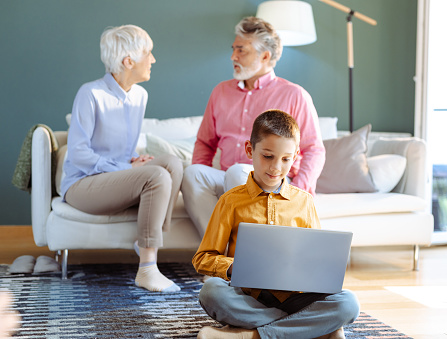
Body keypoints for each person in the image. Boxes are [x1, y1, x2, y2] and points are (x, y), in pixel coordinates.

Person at [192, 110, 359, 339]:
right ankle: (312, 330)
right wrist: (232, 267)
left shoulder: (304, 202)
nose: (276, 168)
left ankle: (249, 335)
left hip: (293, 297)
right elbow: (203, 258)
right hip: (248, 296)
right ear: (250, 150)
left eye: (285, 159)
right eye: (268, 156)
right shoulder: (230, 202)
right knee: (211, 292)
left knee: (348, 303)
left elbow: (317, 263)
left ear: (295, 156)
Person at [61, 25, 183, 293]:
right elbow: (79, 154)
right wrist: (126, 167)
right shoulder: (91, 94)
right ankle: (147, 270)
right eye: (148, 53)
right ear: (128, 61)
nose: (153, 60)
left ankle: (146, 242)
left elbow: (121, 150)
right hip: (83, 185)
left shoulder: (140, 96)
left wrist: (136, 159)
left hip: (114, 178)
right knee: (157, 175)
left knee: (172, 164)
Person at [182, 16, 326, 237]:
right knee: (193, 173)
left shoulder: (295, 95)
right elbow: (204, 142)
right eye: (233, 49)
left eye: (242, 51)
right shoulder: (220, 91)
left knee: (239, 171)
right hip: (228, 178)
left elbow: (314, 149)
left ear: (265, 56)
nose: (233, 57)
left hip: (272, 180)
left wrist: (299, 192)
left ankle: (246, 258)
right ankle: (221, 254)